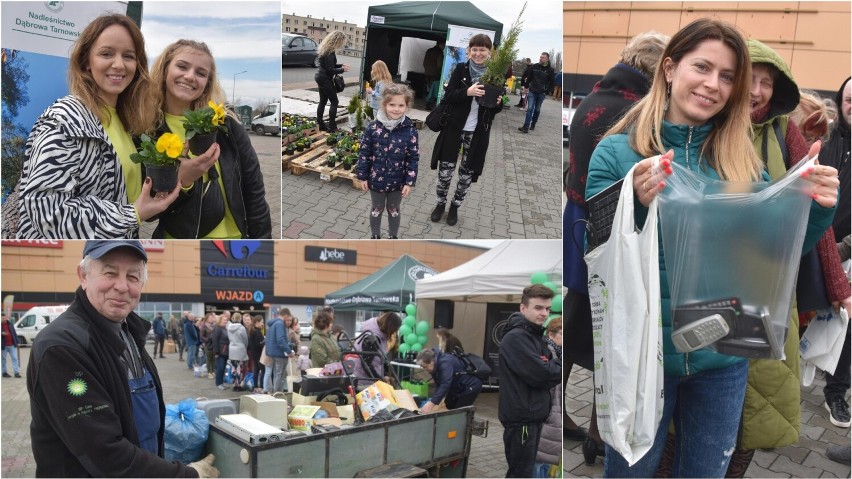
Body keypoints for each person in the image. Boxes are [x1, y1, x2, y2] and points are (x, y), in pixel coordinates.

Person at [585, 19, 838, 477]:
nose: (712, 85)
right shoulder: (617, 153)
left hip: (724, 351)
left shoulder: (742, 159)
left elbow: (768, 255)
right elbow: (598, 250)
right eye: (702, 67)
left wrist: (814, 208)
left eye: (727, 77)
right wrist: (635, 206)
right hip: (644, 355)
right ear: (669, 68)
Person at [715, 40, 852, 477]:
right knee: (702, 409)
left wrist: (838, 286)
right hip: (707, 288)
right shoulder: (707, 124)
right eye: (749, 78)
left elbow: (813, 215)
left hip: (768, 292)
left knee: (756, 411)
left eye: (766, 83)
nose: (756, 90)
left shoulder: (783, 132)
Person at [564, 30, 669, 463]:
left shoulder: (594, 96)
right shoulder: (637, 108)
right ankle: (597, 429)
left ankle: (560, 412)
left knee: (576, 314)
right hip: (615, 223)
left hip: (578, 217)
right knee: (613, 325)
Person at [26, 240, 217, 477]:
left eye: (133, 277)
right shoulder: (62, 347)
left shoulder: (127, 330)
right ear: (83, 276)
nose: (122, 286)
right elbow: (104, 452)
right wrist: (187, 475)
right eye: (110, 272)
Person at [12, 14, 179, 239]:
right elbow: (47, 212)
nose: (119, 64)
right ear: (86, 62)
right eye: (106, 53)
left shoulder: (126, 122)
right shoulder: (65, 119)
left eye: (128, 56)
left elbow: (124, 194)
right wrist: (132, 214)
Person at [148, 39, 272, 239]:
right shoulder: (148, 129)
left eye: (201, 73)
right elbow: (149, 214)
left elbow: (254, 190)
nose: (190, 77)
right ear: (164, 70)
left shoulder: (225, 124)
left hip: (235, 242)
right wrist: (183, 180)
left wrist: (263, 242)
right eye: (182, 66)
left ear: (207, 83)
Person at [429, 34, 504, 226]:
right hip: (454, 127)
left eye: (483, 49)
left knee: (466, 173)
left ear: (489, 52)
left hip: (477, 132)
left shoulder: (494, 75)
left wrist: (498, 103)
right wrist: (467, 92)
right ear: (469, 51)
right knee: (445, 170)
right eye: (475, 49)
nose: (478, 53)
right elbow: (449, 95)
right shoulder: (461, 69)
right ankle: (440, 204)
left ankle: (454, 206)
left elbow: (495, 109)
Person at [498, 284, 562, 478]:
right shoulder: (516, 337)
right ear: (523, 308)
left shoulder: (535, 336)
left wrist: (549, 368)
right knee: (521, 474)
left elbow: (547, 371)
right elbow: (543, 375)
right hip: (522, 421)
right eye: (538, 308)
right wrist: (553, 367)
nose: (544, 313)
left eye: (547, 308)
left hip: (533, 417)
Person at [821, 77, 852, 430]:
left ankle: (836, 392)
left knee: (847, 328)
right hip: (814, 244)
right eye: (848, 99)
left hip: (847, 249)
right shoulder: (825, 137)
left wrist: (840, 248)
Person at [357, 83, 419, 239]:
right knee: (377, 208)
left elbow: (413, 157)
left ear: (407, 106)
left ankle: (393, 237)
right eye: (392, 104)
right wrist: (362, 176)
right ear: (384, 104)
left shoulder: (410, 130)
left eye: (401, 105)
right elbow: (365, 153)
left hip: (397, 182)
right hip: (376, 180)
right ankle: (375, 236)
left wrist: (409, 182)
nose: (396, 109)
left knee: (394, 209)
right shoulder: (372, 128)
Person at [534, 316, 563, 478]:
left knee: (544, 463)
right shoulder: (548, 353)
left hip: (552, 416)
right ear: (551, 334)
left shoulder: (557, 353)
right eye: (562, 333)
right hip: (548, 416)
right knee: (539, 463)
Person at [416, 347, 482, 412]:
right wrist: (435, 400)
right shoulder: (434, 365)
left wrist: (432, 403)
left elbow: (445, 384)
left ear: (431, 361)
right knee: (448, 405)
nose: (424, 369)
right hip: (457, 385)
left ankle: (466, 420)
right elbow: (439, 384)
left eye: (425, 367)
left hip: (470, 385)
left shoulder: (445, 363)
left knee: (460, 412)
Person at [315, 31, 350, 132]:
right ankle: (332, 126)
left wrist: (340, 66)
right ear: (337, 40)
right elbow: (330, 70)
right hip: (325, 78)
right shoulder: (330, 52)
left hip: (319, 76)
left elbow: (328, 66)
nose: (341, 44)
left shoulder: (325, 49)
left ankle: (320, 123)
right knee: (334, 101)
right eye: (341, 42)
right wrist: (342, 70)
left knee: (323, 101)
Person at [351, 312, 402, 382]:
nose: (394, 332)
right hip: (362, 379)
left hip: (361, 376)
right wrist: (379, 379)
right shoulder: (373, 338)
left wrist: (383, 375)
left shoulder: (375, 334)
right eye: (395, 330)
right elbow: (366, 364)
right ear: (390, 327)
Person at [518, 52, 555, 133]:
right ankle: (526, 127)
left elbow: (552, 83)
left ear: (547, 59)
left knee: (537, 109)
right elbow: (529, 78)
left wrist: (546, 92)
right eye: (540, 57)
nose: (540, 58)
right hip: (532, 91)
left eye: (543, 57)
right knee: (530, 108)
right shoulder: (534, 67)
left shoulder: (550, 70)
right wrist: (526, 87)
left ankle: (533, 123)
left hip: (541, 93)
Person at [266, 308, 295, 393]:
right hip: (279, 353)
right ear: (285, 316)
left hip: (272, 352)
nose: (288, 321)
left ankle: (276, 392)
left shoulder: (273, 323)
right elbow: (281, 339)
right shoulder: (279, 324)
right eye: (288, 318)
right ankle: (278, 393)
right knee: (280, 375)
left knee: (276, 374)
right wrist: (289, 351)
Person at [227, 314, 249, 391]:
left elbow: (229, 338)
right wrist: (245, 346)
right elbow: (245, 339)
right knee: (240, 368)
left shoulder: (229, 327)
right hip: (240, 349)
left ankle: (234, 385)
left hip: (232, 348)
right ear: (240, 319)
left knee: (234, 368)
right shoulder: (241, 328)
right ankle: (239, 385)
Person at [423, 39, 446, 110]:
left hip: (427, 73)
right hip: (435, 74)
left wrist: (427, 70)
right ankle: (429, 105)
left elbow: (424, 62)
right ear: (440, 44)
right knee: (433, 91)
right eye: (444, 45)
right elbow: (439, 65)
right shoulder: (439, 52)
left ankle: (427, 104)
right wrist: (440, 74)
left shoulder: (429, 50)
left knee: (429, 88)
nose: (444, 47)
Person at [248, 315, 266, 393]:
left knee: (256, 370)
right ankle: (261, 387)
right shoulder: (257, 332)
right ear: (257, 322)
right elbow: (260, 344)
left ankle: (255, 387)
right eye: (262, 322)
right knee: (263, 370)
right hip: (259, 355)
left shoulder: (252, 331)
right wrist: (264, 341)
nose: (263, 324)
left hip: (254, 355)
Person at [211, 314, 229, 391]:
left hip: (225, 352)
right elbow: (215, 340)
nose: (225, 321)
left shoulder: (224, 328)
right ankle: (218, 383)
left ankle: (221, 382)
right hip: (220, 352)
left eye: (226, 320)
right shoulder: (218, 329)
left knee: (223, 368)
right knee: (220, 368)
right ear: (220, 320)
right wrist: (216, 352)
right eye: (224, 320)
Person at [200, 312, 216, 378]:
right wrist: (207, 340)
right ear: (207, 319)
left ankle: (213, 371)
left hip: (214, 344)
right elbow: (201, 336)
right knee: (208, 358)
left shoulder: (215, 326)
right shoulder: (204, 326)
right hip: (208, 344)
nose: (212, 319)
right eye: (210, 318)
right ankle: (209, 372)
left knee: (213, 358)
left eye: (213, 317)